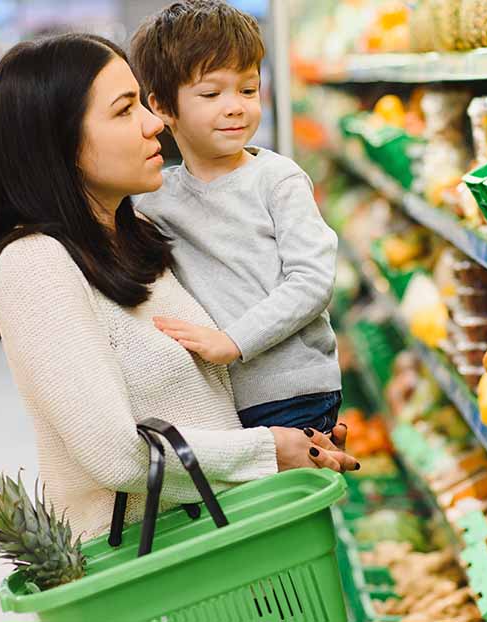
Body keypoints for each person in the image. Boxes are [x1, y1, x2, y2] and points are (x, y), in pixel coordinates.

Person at [0, 33, 357, 541]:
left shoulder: (138, 233)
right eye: (125, 111)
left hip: (221, 540)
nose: (154, 123)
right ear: (58, 140)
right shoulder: (34, 264)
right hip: (155, 572)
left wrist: (294, 419)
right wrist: (267, 449)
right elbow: (116, 452)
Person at [131, 1, 343, 435]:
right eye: (211, 94)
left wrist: (234, 341)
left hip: (293, 391)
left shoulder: (277, 179)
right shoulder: (156, 200)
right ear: (163, 107)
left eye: (248, 90)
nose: (235, 107)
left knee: (288, 502)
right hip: (221, 399)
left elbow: (312, 281)